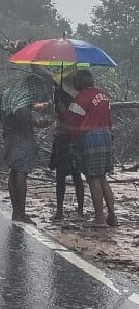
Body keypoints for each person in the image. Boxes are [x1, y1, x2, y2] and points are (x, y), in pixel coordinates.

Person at [65, 70, 117, 227]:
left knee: (93, 178)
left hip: (90, 138)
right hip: (106, 135)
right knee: (102, 178)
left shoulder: (81, 97)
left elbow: (73, 120)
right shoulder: (103, 94)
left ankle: (100, 219)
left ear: (78, 83)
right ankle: (112, 216)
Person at [0, 73, 51, 224]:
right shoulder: (19, 103)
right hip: (22, 139)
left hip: (9, 138)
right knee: (21, 173)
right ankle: (21, 212)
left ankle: (16, 212)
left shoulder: (9, 95)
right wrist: (40, 122)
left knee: (14, 172)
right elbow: (25, 119)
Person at [49, 87, 84, 220]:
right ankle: (76, 210)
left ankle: (61, 211)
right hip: (71, 140)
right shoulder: (74, 98)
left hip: (66, 140)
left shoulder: (68, 102)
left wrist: (62, 112)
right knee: (75, 176)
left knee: (64, 177)